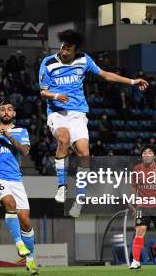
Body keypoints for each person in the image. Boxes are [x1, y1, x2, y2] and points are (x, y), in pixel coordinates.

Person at [39, 29, 148, 217]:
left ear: (75, 51)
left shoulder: (84, 60)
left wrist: (132, 81)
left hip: (78, 113)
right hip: (57, 112)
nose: (64, 52)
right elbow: (43, 91)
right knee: (63, 139)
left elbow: (106, 75)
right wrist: (56, 95)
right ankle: (62, 186)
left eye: (69, 49)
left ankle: (80, 199)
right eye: (63, 47)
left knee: (84, 153)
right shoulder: (48, 63)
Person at [0, 100, 38, 274]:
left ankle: (30, 260)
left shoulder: (21, 131)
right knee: (10, 203)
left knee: (26, 222)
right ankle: (18, 243)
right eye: (2, 110)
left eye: (9, 110)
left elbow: (25, 150)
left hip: (16, 179)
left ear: (14, 114)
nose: (6, 112)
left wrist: (7, 136)